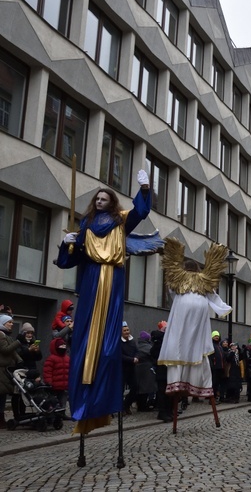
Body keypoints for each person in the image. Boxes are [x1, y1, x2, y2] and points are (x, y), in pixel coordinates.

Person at [54, 170, 152, 434]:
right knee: (87, 333)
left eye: (104, 198)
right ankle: (84, 391)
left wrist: (144, 189)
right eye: (97, 198)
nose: (99, 201)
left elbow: (140, 213)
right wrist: (66, 244)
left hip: (112, 276)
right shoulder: (85, 225)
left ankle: (104, 394)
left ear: (112, 202)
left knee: (108, 335)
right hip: (90, 277)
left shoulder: (120, 221)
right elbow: (69, 260)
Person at [158, 239, 231, 404]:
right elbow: (212, 295)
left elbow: (171, 291)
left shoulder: (178, 276)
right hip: (199, 309)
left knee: (177, 341)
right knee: (196, 345)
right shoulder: (203, 279)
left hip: (182, 309)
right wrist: (223, 308)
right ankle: (198, 383)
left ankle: (176, 381)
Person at [0, 314, 21, 429]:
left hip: (5, 370)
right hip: (1, 369)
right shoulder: (0, 335)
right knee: (1, 395)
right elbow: (5, 350)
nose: (12, 324)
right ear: (3, 323)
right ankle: (0, 419)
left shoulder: (6, 335)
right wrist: (18, 342)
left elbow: (13, 352)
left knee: (2, 395)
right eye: (10, 322)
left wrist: (20, 361)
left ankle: (1, 418)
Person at [43, 337, 70, 418]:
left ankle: (62, 413)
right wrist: (49, 382)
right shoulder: (51, 359)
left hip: (64, 384)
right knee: (54, 400)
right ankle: (54, 414)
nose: (62, 348)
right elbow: (47, 371)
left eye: (63, 346)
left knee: (63, 400)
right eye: (60, 346)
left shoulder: (67, 358)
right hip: (54, 385)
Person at [150, 321, 170, 422]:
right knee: (162, 392)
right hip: (162, 369)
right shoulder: (159, 341)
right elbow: (153, 353)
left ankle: (167, 411)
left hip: (167, 369)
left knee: (167, 392)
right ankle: (162, 412)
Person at [120, 323, 139, 415]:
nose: (127, 332)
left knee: (135, 388)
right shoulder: (119, 342)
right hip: (123, 369)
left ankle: (126, 404)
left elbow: (137, 351)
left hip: (132, 368)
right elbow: (120, 355)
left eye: (128, 330)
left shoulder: (132, 341)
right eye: (125, 331)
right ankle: (121, 408)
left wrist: (136, 357)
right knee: (121, 390)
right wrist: (132, 359)